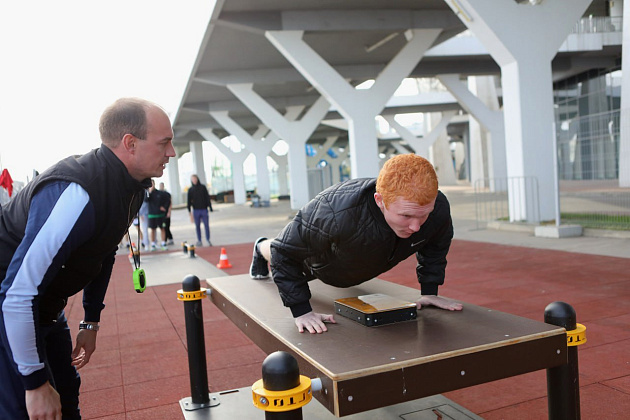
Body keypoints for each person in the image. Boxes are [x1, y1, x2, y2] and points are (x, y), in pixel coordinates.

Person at [0, 97, 175, 419]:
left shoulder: (131, 188)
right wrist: (34, 383)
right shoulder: (76, 192)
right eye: (164, 143)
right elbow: (17, 293)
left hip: (46, 306)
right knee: (30, 409)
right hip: (11, 307)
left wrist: (91, 321)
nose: (172, 153)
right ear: (130, 143)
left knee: (67, 399)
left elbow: (103, 253)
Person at [249, 154, 463, 334]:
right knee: (276, 248)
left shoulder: (438, 209)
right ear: (380, 200)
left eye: (423, 215)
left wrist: (429, 291)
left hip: (358, 261)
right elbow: (283, 252)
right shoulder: (334, 211)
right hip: (320, 262)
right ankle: (259, 247)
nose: (416, 227)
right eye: (406, 216)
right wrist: (302, 311)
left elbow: (436, 246)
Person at [187, 174, 213, 247]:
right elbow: (188, 201)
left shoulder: (203, 187)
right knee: (197, 226)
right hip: (196, 210)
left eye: (195, 179)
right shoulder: (190, 190)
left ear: (197, 179)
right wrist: (189, 210)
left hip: (204, 209)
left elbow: (207, 197)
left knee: (206, 225)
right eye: (193, 179)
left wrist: (210, 207)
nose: (194, 180)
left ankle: (208, 239)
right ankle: (199, 240)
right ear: (191, 180)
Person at [146, 180, 169, 250]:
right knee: (152, 229)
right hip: (152, 215)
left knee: (162, 228)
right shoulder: (148, 193)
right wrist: (149, 192)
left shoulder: (160, 193)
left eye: (152, 184)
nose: (151, 186)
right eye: (150, 185)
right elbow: (146, 200)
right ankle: (153, 244)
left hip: (160, 215)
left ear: (154, 184)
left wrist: (164, 207)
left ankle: (163, 243)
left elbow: (168, 200)